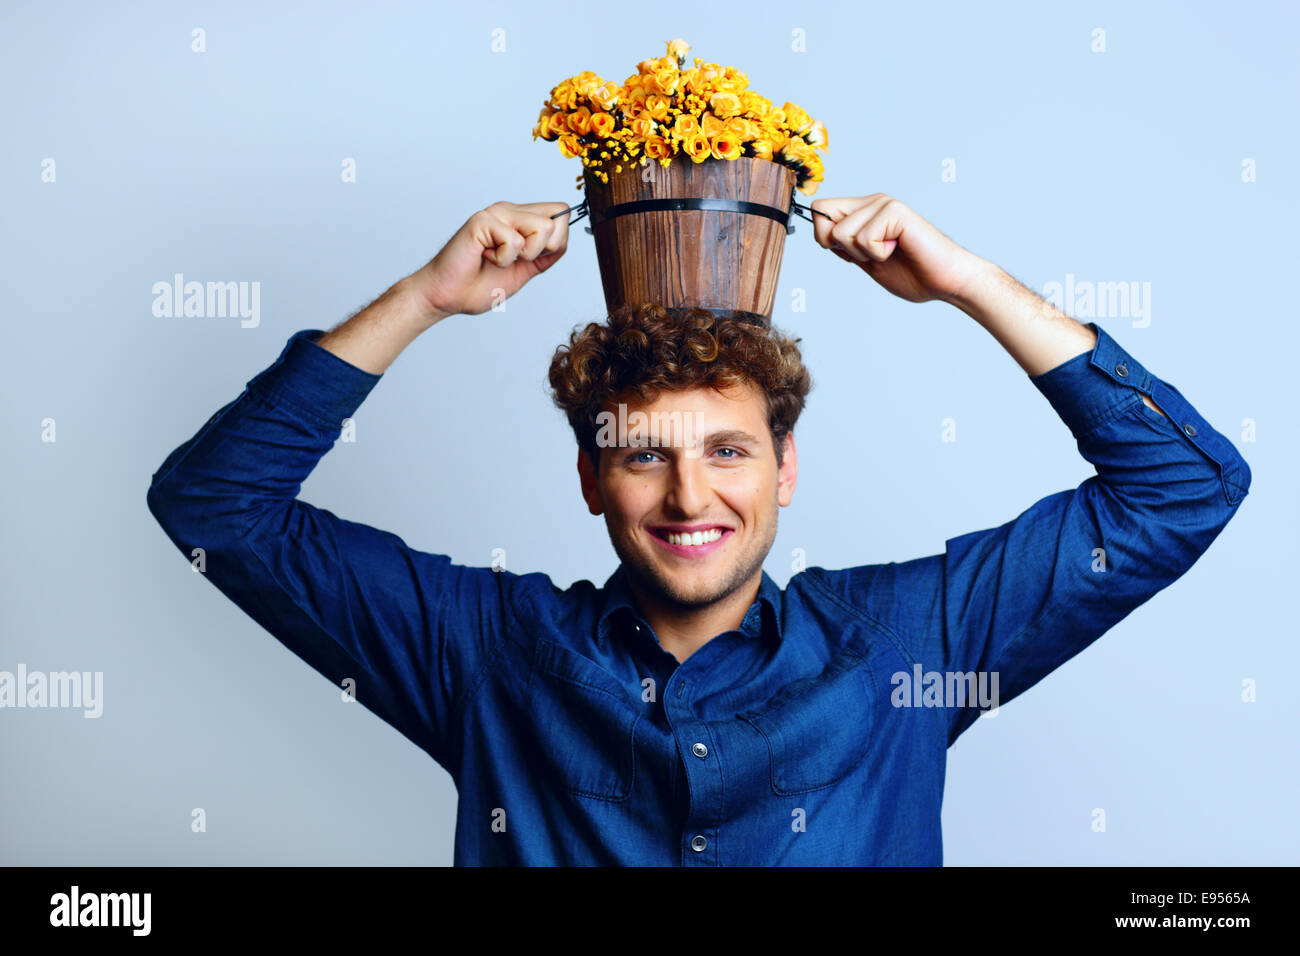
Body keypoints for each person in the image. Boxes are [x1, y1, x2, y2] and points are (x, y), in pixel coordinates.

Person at [146, 195, 1251, 865]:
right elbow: (214, 506)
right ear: (590, 477)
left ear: (786, 470)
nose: (689, 496)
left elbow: (1182, 487)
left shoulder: (914, 642)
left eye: (727, 451)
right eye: (644, 454)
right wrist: (424, 297)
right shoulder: (482, 652)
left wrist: (966, 282)